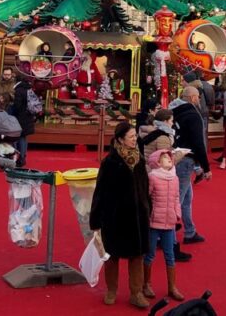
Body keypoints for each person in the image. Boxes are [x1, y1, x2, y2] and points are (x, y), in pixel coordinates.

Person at [90, 122, 152, 307]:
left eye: (135, 136)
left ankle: (136, 293)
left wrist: (147, 207)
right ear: (120, 139)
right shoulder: (109, 162)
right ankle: (111, 290)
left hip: (138, 215)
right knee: (112, 256)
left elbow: (145, 187)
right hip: (115, 216)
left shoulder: (140, 160)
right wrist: (96, 219)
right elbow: (99, 191)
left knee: (137, 256)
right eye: (131, 137)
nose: (135, 140)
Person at [169, 86, 211, 247]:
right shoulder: (193, 115)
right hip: (186, 158)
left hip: (178, 154)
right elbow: (198, 142)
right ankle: (167, 237)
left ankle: (189, 230)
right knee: (177, 199)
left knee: (186, 198)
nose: (199, 100)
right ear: (193, 97)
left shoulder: (175, 111)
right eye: (198, 97)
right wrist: (206, 167)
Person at [143, 148, 184, 303]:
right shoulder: (152, 177)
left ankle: (172, 286)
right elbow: (147, 196)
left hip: (169, 222)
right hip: (154, 222)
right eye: (165, 158)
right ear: (157, 162)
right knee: (150, 254)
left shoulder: (175, 178)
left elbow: (176, 198)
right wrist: (148, 215)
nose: (169, 159)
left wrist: (177, 213)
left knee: (170, 255)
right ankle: (146, 283)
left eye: (169, 157)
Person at [11, 75, 38, 168]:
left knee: (17, 137)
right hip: (28, 116)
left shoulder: (19, 90)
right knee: (24, 137)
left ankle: (18, 157)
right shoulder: (29, 89)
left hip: (20, 117)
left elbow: (17, 106)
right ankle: (23, 156)